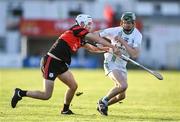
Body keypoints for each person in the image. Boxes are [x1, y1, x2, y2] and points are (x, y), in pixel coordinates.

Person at [11, 14, 119, 115]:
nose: (91, 26)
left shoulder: (80, 37)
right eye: (89, 23)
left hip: (61, 64)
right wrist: (112, 46)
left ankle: (65, 110)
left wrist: (108, 49)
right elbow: (95, 38)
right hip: (51, 62)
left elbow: (93, 49)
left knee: (73, 86)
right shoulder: (77, 29)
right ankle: (20, 93)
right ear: (82, 24)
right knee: (46, 95)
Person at [96, 12, 142, 116]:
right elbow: (96, 34)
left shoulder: (137, 35)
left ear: (133, 23)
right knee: (123, 85)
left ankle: (103, 104)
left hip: (122, 64)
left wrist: (122, 41)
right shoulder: (115, 30)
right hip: (111, 61)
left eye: (129, 23)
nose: (126, 25)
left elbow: (134, 54)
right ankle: (103, 101)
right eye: (125, 22)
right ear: (122, 22)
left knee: (121, 96)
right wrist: (101, 43)